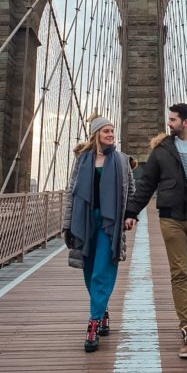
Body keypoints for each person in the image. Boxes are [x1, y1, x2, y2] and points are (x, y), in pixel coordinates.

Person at [124, 103, 187, 359]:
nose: (168, 123)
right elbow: (146, 185)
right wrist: (131, 212)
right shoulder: (162, 151)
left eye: (172, 120)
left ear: (186, 122)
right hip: (170, 218)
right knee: (180, 272)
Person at [63, 115, 135, 352]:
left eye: (113, 131)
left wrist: (129, 215)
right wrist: (66, 224)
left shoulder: (123, 161)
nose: (111, 134)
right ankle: (102, 309)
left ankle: (93, 323)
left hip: (109, 223)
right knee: (89, 268)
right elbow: (71, 192)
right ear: (96, 134)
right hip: (84, 220)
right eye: (106, 131)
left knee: (102, 270)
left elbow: (132, 191)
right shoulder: (82, 160)